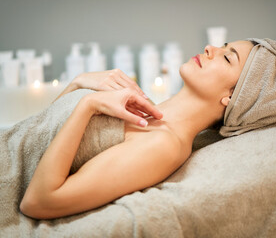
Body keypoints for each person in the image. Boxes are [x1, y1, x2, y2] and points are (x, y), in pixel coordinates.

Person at [20, 40, 255, 219]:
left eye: (227, 58)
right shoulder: (142, 108)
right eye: (223, 46)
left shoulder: (164, 144)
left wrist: (87, 105)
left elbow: (38, 202)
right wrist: (77, 83)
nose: (209, 48)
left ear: (234, 96)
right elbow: (37, 134)